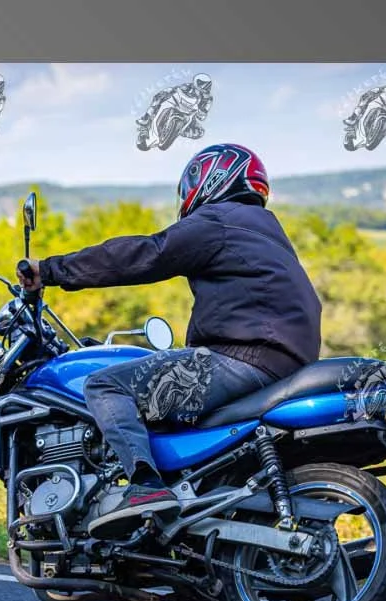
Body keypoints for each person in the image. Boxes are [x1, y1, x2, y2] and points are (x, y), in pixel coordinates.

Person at [18, 143, 322, 539]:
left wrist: (52, 270)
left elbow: (146, 254)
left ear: (211, 178)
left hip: (242, 358)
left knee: (106, 385)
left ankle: (145, 487)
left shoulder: (219, 220)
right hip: (281, 364)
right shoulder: (267, 232)